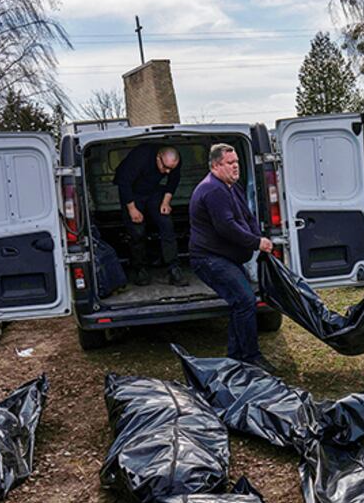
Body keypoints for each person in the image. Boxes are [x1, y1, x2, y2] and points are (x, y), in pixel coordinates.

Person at [189, 143, 277, 374]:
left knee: (241, 303)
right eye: (230, 163)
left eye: (237, 162)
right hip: (208, 259)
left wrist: (258, 234)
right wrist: (256, 243)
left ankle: (235, 358)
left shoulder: (230, 186)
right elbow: (226, 227)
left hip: (225, 258)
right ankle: (250, 358)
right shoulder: (213, 190)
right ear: (216, 166)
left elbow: (247, 216)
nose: (236, 166)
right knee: (245, 301)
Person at [114, 144, 186, 287]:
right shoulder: (140, 157)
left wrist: (166, 202)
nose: (167, 172)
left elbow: (173, 181)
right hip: (132, 192)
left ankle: (174, 268)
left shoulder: (174, 161)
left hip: (153, 191)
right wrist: (132, 209)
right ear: (158, 158)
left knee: (167, 224)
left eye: (170, 169)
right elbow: (124, 183)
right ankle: (140, 269)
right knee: (137, 230)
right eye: (165, 167)